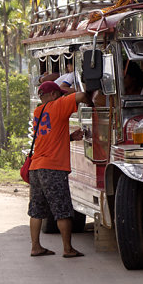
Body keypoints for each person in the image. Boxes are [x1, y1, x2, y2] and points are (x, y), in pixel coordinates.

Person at [28, 80, 88, 258]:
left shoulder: (39, 111)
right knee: (63, 209)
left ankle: (36, 247)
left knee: (36, 210)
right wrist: (68, 90)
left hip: (36, 167)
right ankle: (68, 249)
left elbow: (49, 138)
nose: (63, 96)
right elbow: (82, 96)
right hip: (53, 167)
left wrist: (69, 137)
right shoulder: (58, 105)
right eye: (60, 93)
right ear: (54, 95)